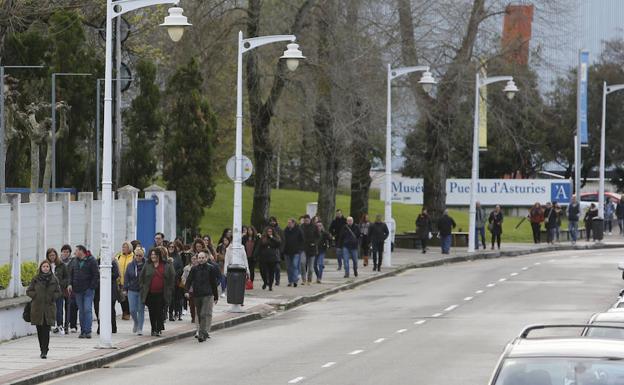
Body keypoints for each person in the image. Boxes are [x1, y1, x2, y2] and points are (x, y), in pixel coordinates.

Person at [27, 260, 61, 359]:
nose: (45, 268)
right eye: (43, 266)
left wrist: (52, 297)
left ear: (50, 268)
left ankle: (44, 350)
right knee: (39, 330)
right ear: (41, 268)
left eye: (47, 266)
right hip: (37, 308)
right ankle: (42, 347)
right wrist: (36, 295)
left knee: (46, 330)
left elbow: (58, 292)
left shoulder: (54, 279)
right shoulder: (36, 279)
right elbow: (29, 291)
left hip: (49, 308)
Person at [139, 248, 175, 337]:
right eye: (152, 255)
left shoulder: (166, 265)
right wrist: (143, 287)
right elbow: (141, 277)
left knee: (159, 311)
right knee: (152, 311)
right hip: (150, 293)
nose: (153, 256)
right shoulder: (147, 265)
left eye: (155, 255)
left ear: (159, 255)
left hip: (162, 293)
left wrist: (170, 288)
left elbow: (172, 276)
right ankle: (153, 328)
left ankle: (158, 328)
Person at [185, 251, 219, 342]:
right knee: (199, 314)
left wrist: (216, 296)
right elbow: (188, 281)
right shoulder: (194, 269)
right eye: (199, 258)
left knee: (204, 314)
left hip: (207, 295)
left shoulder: (210, 268)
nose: (201, 259)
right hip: (197, 295)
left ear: (206, 258)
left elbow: (213, 283)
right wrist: (186, 291)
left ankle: (201, 334)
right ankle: (203, 332)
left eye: (202, 258)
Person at [67, 245, 98, 339]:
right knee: (81, 310)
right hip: (77, 290)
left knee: (87, 309)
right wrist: (70, 284)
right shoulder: (74, 261)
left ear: (81, 251)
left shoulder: (91, 260)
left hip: (88, 289)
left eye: (76, 250)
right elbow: (70, 274)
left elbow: (96, 274)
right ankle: (83, 330)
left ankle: (88, 331)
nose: (74, 252)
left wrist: (92, 287)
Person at [124, 247, 146, 335]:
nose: (138, 257)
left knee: (141, 309)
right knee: (132, 309)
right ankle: (136, 322)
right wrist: (125, 288)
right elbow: (126, 277)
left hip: (142, 290)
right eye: (136, 255)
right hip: (132, 289)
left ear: (143, 256)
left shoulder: (146, 264)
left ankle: (140, 328)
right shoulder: (130, 265)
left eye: (140, 256)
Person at [46, 248, 68, 335]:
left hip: (59, 291)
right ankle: (51, 325)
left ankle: (60, 325)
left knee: (59, 309)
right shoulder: (45, 265)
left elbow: (66, 277)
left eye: (53, 255)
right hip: (48, 292)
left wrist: (61, 284)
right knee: (49, 310)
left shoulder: (61, 265)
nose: (52, 257)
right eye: (50, 255)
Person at [60, 244, 77, 333]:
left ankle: (70, 325)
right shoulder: (58, 262)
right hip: (60, 288)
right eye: (63, 252)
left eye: (67, 252)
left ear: (70, 253)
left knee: (70, 307)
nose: (65, 253)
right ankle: (60, 325)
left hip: (70, 288)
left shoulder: (73, 262)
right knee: (59, 308)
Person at [258, 227, 281, 291]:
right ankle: (265, 282)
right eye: (268, 231)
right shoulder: (263, 238)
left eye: (270, 231)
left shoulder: (275, 238)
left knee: (271, 272)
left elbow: (278, 243)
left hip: (272, 257)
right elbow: (260, 246)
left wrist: (272, 237)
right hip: (264, 257)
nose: (269, 233)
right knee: (263, 271)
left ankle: (270, 285)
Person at [115, 241, 134, 320]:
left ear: (129, 248)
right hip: (120, 281)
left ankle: (128, 312)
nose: (123, 249)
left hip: (130, 282)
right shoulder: (119, 256)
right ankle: (125, 312)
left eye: (125, 247)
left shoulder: (133, 257)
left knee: (129, 299)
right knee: (122, 298)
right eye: (123, 247)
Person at [283, 218, 304, 287]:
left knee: (295, 265)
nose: (288, 224)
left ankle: (295, 280)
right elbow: (283, 240)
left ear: (293, 223)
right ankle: (290, 281)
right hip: (287, 251)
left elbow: (302, 240)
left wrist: (300, 248)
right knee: (288, 267)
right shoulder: (285, 230)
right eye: (288, 223)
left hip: (296, 251)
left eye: (290, 223)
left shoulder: (298, 230)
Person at [168, 241, 185, 322]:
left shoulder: (178, 257)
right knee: (167, 298)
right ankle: (167, 313)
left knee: (175, 298)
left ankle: (174, 313)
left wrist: (175, 274)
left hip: (175, 281)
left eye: (172, 247)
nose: (171, 248)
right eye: (169, 247)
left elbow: (181, 268)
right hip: (166, 280)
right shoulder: (165, 256)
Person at [301, 215, 319, 284]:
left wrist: (314, 243)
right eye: (305, 220)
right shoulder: (301, 227)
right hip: (303, 248)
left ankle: (309, 280)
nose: (306, 221)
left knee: (311, 268)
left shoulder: (314, 227)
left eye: (307, 220)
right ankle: (303, 279)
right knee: (302, 263)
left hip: (312, 249)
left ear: (310, 220)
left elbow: (318, 236)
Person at [181, 253, 199, 323]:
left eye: (195, 259)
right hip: (190, 288)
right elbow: (183, 277)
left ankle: (198, 317)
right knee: (192, 304)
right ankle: (193, 317)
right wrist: (186, 284)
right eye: (193, 259)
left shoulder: (199, 267)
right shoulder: (186, 268)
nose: (194, 260)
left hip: (198, 289)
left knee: (198, 304)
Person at [267, 217, 284, 286]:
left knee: (277, 267)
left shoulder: (279, 230)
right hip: (268, 252)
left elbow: (282, 241)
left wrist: (281, 250)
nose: (272, 222)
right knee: (268, 267)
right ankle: (269, 280)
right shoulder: (267, 229)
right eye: (271, 221)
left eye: (273, 221)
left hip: (277, 251)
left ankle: (277, 280)